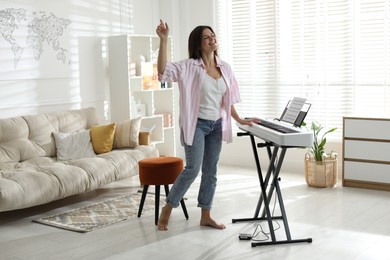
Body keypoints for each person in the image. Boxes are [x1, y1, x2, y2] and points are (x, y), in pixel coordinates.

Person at [156, 19, 259, 231]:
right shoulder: (188, 67)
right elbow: (163, 72)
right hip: (197, 126)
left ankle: (206, 215)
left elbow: (227, 101)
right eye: (206, 37)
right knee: (193, 169)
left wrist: (238, 119)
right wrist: (164, 40)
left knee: (210, 171)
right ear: (198, 43)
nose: (212, 39)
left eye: (213, 35)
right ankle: (168, 207)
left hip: (217, 125)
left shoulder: (225, 68)